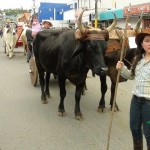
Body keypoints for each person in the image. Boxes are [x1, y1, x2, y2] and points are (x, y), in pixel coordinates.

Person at [116, 29, 150, 150]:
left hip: (148, 104)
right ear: (142, 44)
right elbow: (131, 76)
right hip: (136, 101)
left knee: (149, 133)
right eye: (147, 41)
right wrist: (122, 68)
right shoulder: (138, 59)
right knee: (135, 129)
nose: (149, 44)